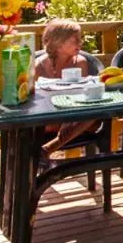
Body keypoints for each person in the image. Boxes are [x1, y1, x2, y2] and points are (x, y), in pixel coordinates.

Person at [33, 18, 98, 156]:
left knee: (93, 115)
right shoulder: (38, 66)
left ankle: (51, 147)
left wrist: (69, 118)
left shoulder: (80, 62)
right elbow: (36, 101)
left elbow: (82, 96)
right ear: (58, 43)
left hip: (74, 115)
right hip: (47, 116)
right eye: (75, 40)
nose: (80, 43)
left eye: (80, 39)